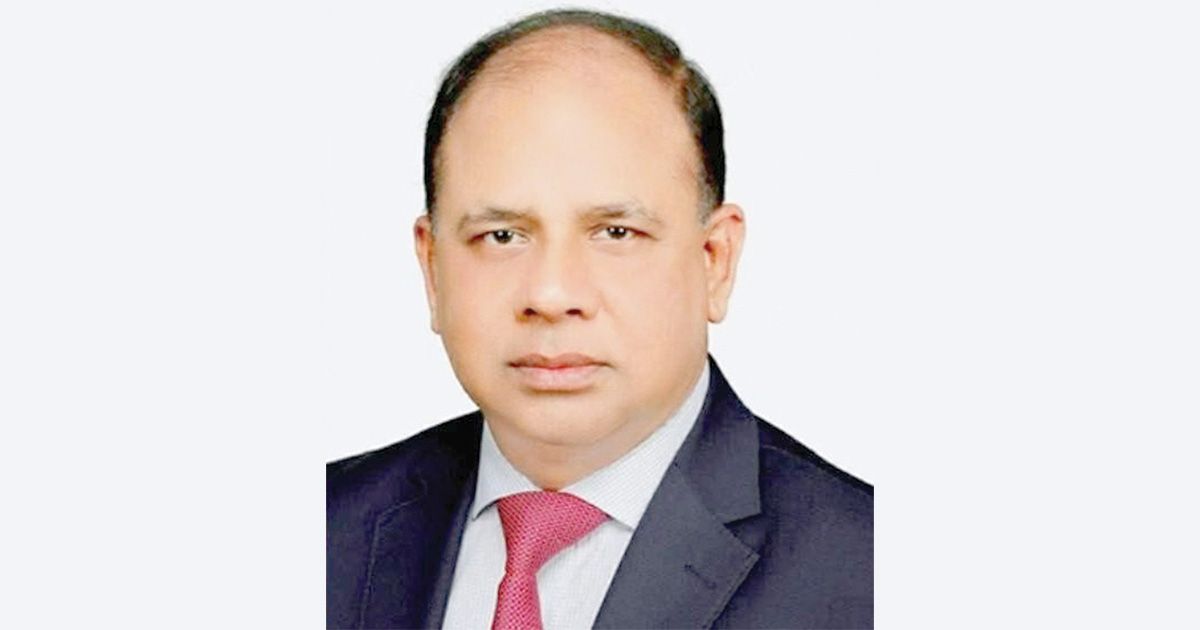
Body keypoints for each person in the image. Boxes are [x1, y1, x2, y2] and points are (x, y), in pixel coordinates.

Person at [327, 8, 872, 629]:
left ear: (715, 261)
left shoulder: (868, 572)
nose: (552, 294)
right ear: (432, 267)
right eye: (502, 235)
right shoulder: (325, 529)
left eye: (616, 232)